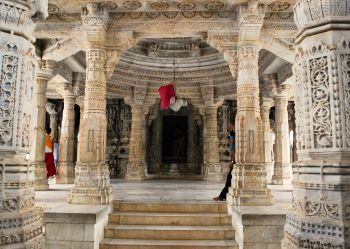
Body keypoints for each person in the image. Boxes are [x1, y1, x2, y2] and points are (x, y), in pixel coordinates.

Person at [213, 123, 235, 201]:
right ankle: (223, 195)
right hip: (236, 158)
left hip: (236, 159)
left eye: (229, 124)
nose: (227, 126)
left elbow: (232, 147)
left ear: (232, 124)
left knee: (230, 177)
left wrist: (232, 160)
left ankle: (223, 196)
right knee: (230, 178)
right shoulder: (235, 133)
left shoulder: (233, 133)